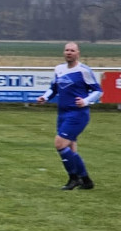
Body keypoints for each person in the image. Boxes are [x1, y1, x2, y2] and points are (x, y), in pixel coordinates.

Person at [36, 42, 101, 190]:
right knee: (70, 150)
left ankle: (73, 178)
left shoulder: (83, 70)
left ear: (78, 53)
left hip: (78, 114)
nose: (69, 53)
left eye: (72, 50)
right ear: (63, 52)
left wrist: (85, 101)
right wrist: (45, 97)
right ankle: (86, 181)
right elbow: (53, 88)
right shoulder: (59, 69)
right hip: (63, 113)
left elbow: (98, 91)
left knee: (60, 144)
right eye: (67, 50)